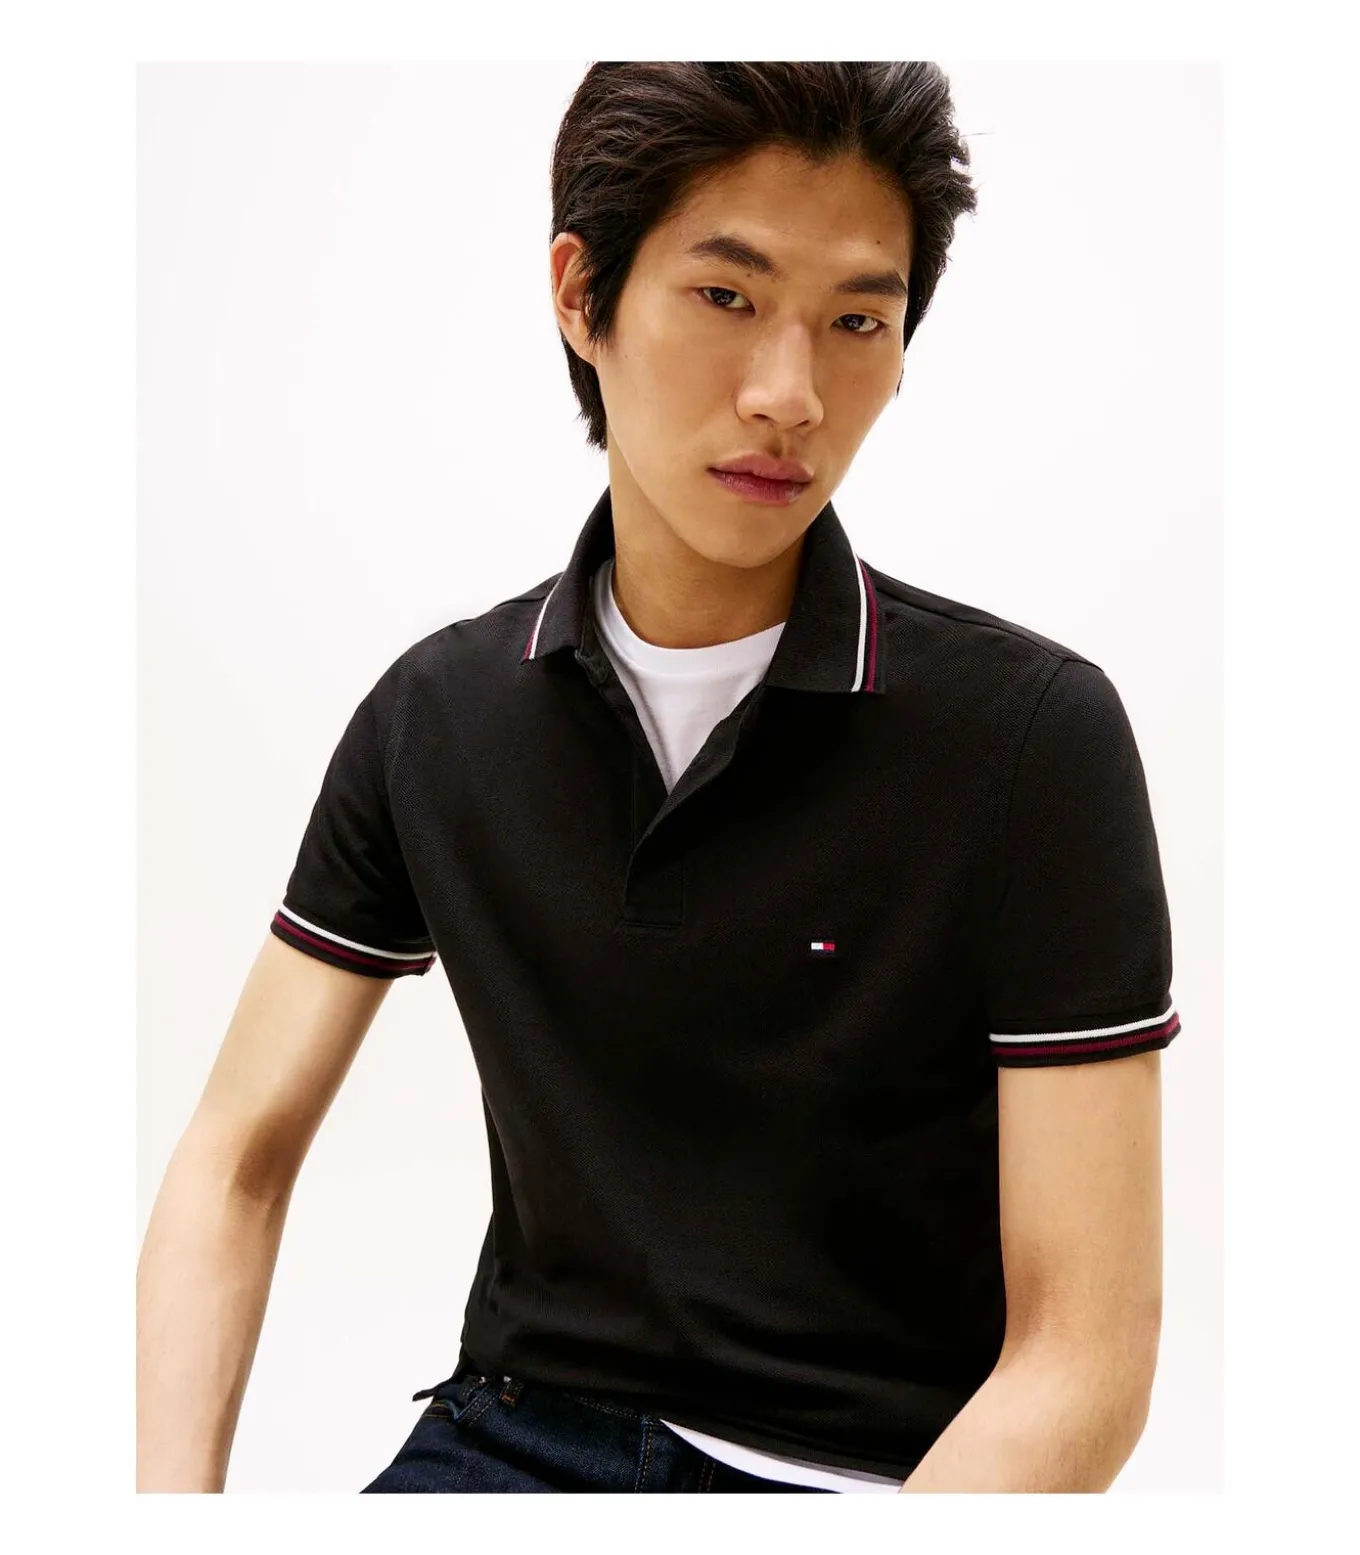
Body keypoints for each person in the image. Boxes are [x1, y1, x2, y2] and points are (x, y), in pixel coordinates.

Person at [137, 61, 1180, 1494]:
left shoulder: (1031, 739)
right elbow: (233, 1155)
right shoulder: (435, 717)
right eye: (727, 296)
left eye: (856, 320)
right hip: (503, 1440)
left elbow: (1085, 1358)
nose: (789, 395)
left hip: (863, 1484)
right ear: (583, 295)